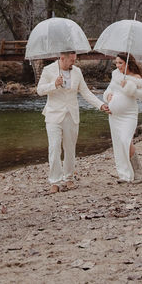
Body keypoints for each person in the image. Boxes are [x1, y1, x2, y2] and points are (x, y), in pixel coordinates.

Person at [36, 50, 110, 192]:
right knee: (54, 147)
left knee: (70, 148)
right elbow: (39, 90)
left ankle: (68, 178)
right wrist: (54, 84)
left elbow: (85, 92)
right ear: (62, 58)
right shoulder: (48, 70)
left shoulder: (77, 72)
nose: (74, 63)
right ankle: (55, 181)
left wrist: (100, 105)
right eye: (72, 60)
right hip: (53, 115)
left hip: (71, 115)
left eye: (75, 60)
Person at [104, 54, 142, 182]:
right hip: (115, 115)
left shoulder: (136, 78)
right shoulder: (115, 74)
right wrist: (107, 96)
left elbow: (141, 95)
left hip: (129, 114)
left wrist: (128, 85)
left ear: (128, 63)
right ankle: (124, 174)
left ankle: (138, 170)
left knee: (125, 140)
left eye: (120, 63)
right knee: (118, 143)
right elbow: (109, 90)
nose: (118, 66)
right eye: (116, 63)